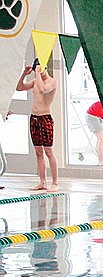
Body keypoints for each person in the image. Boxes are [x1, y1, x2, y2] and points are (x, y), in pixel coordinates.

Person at [16, 62, 58, 191]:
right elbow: (19, 87)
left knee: (48, 151)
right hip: (34, 118)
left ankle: (55, 183)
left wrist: (39, 72)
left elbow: (43, 89)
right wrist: (24, 74)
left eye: (41, 68)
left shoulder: (52, 82)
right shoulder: (35, 81)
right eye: (37, 69)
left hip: (45, 118)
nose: (39, 71)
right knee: (38, 151)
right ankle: (42, 182)